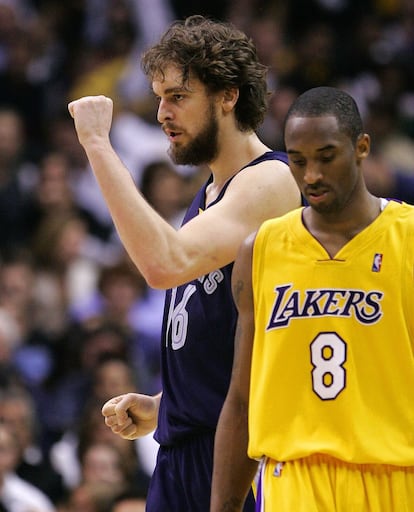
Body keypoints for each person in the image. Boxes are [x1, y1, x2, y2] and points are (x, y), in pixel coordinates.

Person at [68, 15, 301, 511]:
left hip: (239, 456)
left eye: (177, 95)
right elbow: (214, 335)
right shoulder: (210, 196)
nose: (162, 113)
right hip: (183, 452)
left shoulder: (270, 181)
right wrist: (162, 407)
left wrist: (96, 144)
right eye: (158, 97)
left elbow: (163, 264)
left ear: (228, 95)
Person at [210, 86, 414, 512]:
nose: (311, 176)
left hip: (397, 474)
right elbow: (242, 397)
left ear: (361, 148)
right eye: (297, 161)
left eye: (326, 157)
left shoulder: (408, 238)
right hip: (294, 479)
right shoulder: (260, 249)